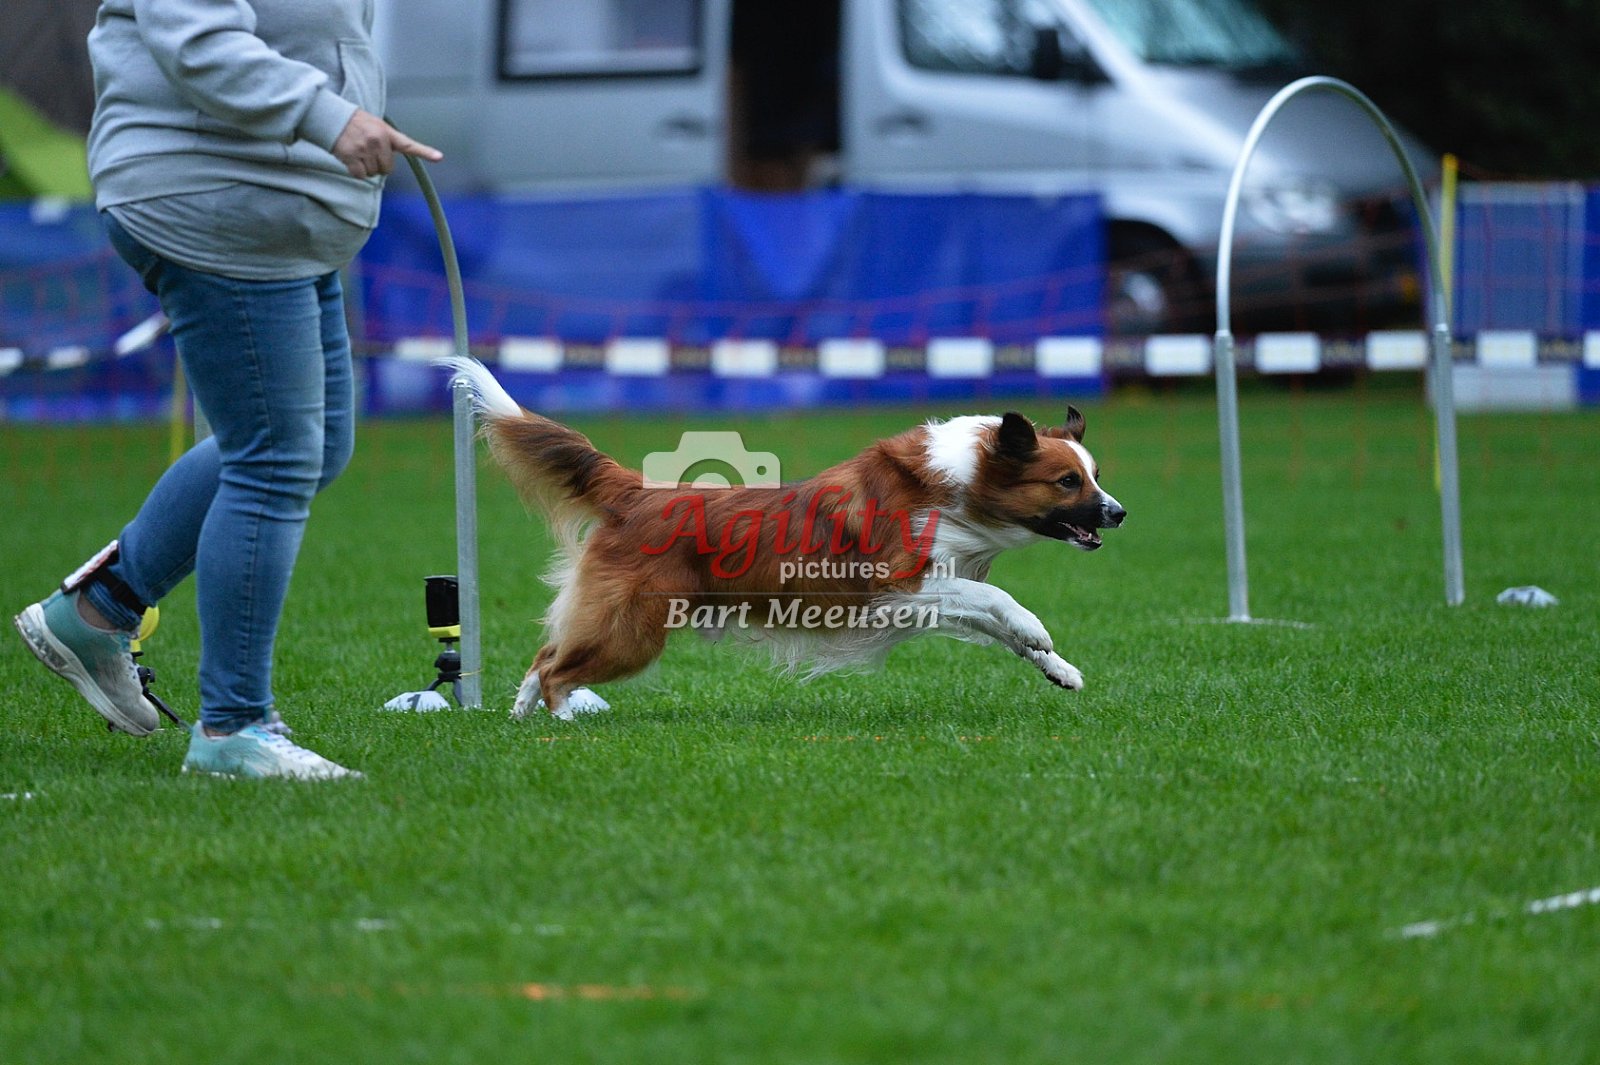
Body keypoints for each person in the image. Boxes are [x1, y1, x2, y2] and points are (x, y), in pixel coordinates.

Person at [12, 0, 440, 779]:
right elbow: (195, 35)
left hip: (283, 205)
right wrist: (330, 115)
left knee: (312, 446)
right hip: (220, 198)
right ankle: (233, 727)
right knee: (272, 457)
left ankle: (100, 607)